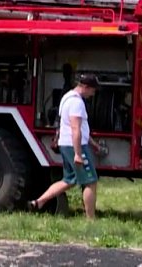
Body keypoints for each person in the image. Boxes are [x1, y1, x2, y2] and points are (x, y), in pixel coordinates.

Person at [28, 74, 101, 218]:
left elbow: (74, 126)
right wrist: (78, 154)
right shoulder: (77, 103)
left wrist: (93, 144)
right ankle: (91, 220)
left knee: (68, 180)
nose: (93, 94)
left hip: (65, 144)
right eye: (93, 90)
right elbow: (75, 129)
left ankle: (39, 202)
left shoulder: (67, 97)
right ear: (85, 87)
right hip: (75, 146)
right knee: (90, 181)